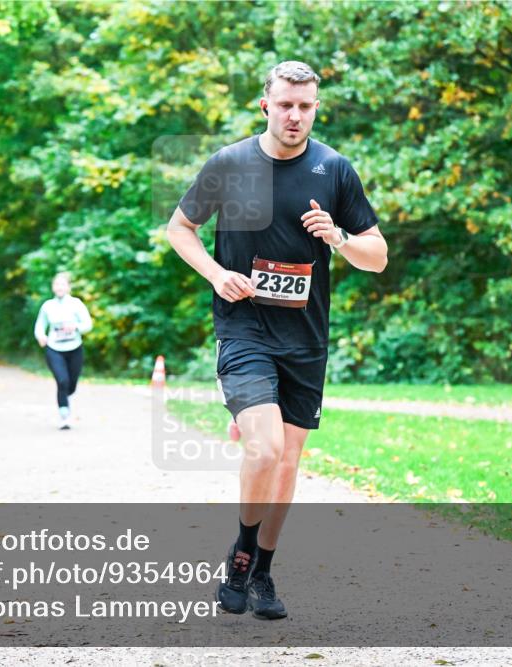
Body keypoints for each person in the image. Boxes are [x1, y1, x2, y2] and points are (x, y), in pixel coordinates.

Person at [166, 61, 389, 620]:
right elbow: (179, 229)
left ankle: (262, 570)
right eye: (285, 104)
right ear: (265, 105)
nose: (295, 115)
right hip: (243, 327)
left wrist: (338, 238)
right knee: (262, 447)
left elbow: (378, 257)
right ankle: (242, 552)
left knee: (287, 462)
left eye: (305, 106)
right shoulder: (230, 163)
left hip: (305, 337)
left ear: (316, 108)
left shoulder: (334, 170)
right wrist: (218, 275)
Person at [34, 273, 93, 430]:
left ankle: (65, 399)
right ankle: (64, 416)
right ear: (53, 287)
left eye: (63, 284)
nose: (59, 287)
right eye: (57, 284)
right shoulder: (47, 306)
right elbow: (39, 326)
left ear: (68, 287)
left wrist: (76, 327)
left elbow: (88, 324)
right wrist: (41, 336)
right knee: (62, 381)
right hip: (54, 349)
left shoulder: (76, 304)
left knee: (71, 385)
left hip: (74, 348)